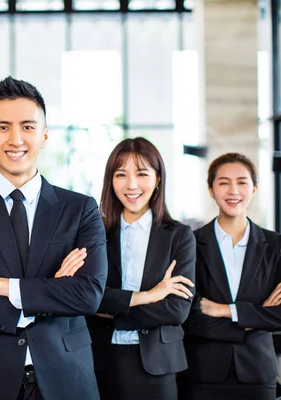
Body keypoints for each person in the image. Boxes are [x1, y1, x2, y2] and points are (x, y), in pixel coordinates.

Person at [0, 76, 108, 400]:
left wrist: (5, 287)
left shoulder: (80, 209)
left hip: (66, 377)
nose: (16, 139)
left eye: (27, 127)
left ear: (45, 134)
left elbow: (88, 295)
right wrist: (52, 291)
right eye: (2, 127)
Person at [179, 152, 281, 399]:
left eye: (242, 182)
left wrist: (226, 310)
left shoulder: (274, 244)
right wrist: (257, 315)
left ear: (254, 188)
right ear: (211, 190)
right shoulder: (191, 243)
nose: (233, 190)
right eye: (223, 182)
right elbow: (189, 317)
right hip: (203, 373)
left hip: (257, 374)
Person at [86, 137, 195, 400]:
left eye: (142, 174)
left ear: (158, 179)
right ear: (110, 182)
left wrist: (114, 313)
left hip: (158, 364)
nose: (131, 185)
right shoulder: (95, 234)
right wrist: (149, 296)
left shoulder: (178, 236)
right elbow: (90, 297)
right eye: (121, 174)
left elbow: (176, 309)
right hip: (101, 359)